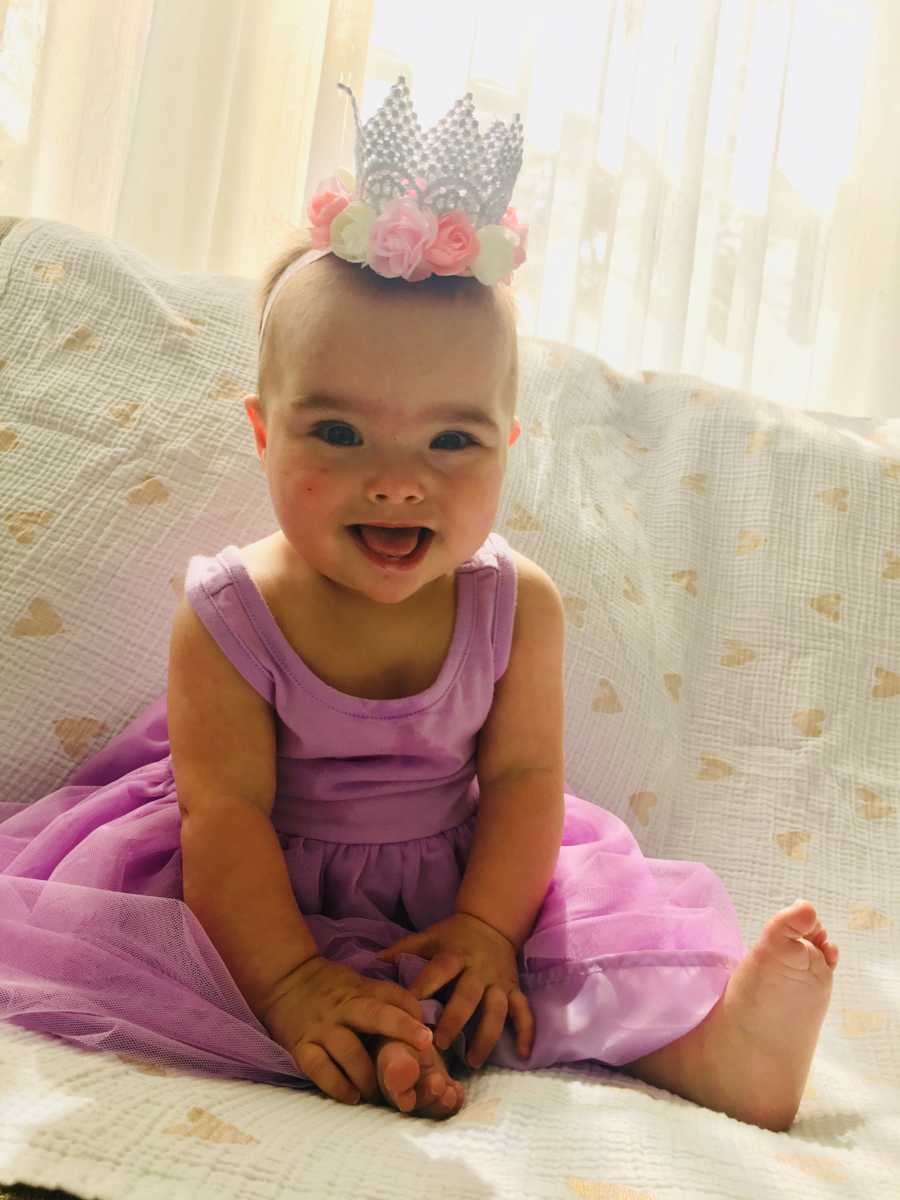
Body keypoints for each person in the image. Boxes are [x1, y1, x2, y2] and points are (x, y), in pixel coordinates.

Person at [0, 77, 838, 1131]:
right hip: (261, 888)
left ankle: (716, 1052)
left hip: (468, 876)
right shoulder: (228, 616)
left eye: (451, 441)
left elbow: (529, 782)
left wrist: (488, 926)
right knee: (235, 977)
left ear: (508, 452)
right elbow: (224, 821)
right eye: (341, 435)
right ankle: (353, 1033)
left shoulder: (514, 605)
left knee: (576, 951)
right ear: (264, 434)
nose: (398, 480)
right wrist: (294, 978)